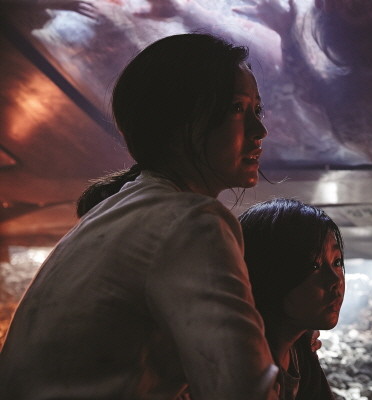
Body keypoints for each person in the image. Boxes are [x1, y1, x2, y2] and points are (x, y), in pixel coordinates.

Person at [0, 33, 279, 400]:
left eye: (257, 110)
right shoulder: (189, 222)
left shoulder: (124, 208)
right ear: (181, 122)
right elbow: (243, 388)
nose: (260, 131)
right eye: (237, 108)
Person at [239, 198, 345, 400]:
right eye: (313, 265)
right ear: (270, 274)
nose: (335, 280)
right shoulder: (241, 370)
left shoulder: (299, 351)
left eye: (337, 262)